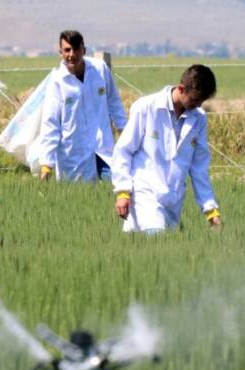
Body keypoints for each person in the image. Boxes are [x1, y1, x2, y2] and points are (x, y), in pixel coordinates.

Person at [111, 64, 221, 234]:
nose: (197, 106)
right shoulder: (146, 107)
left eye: (201, 102)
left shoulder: (199, 119)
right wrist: (123, 192)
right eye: (193, 100)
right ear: (181, 88)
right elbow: (123, 150)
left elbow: (199, 168)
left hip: (173, 199)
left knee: (162, 252)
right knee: (156, 238)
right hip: (145, 192)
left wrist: (210, 210)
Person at [35, 30, 127, 182]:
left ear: (84, 50)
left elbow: (114, 102)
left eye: (76, 49)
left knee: (112, 190)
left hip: (103, 150)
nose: (72, 54)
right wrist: (46, 164)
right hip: (74, 154)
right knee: (80, 199)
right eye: (67, 50)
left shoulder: (100, 70)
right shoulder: (57, 82)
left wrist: (125, 133)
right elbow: (50, 123)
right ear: (60, 53)